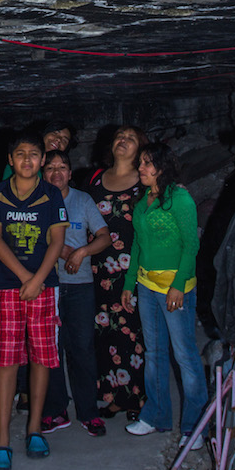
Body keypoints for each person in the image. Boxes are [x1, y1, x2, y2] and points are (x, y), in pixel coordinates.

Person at [0, 134, 68, 470]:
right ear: (11, 159)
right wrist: (23, 278)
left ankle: (34, 429)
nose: (28, 161)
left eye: (35, 155)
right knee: (6, 361)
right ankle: (2, 439)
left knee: (42, 357)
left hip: (44, 287)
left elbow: (57, 241)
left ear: (42, 159)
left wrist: (37, 280)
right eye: (21, 155)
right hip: (8, 288)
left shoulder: (51, 194)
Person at [122, 142, 208, 450]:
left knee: (185, 356)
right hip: (146, 287)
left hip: (174, 290)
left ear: (162, 168)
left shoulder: (180, 200)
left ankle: (195, 427)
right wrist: (130, 285)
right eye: (141, 163)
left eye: (147, 164)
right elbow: (137, 245)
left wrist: (178, 285)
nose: (141, 169)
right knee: (154, 353)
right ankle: (156, 416)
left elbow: (191, 245)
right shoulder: (144, 200)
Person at [41, 150, 111, 437]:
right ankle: (56, 410)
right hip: (48, 285)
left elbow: (104, 237)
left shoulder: (82, 200)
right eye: (51, 168)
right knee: (51, 350)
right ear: (42, 173)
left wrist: (82, 251)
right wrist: (65, 251)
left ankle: (88, 412)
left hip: (80, 286)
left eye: (62, 168)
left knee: (81, 348)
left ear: (71, 173)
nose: (56, 173)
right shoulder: (36, 201)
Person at [87, 125, 148, 418]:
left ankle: (136, 398)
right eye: (119, 137)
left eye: (131, 138)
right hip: (98, 269)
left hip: (131, 269)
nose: (123, 141)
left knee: (132, 334)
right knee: (105, 332)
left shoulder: (144, 181)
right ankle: (114, 397)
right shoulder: (97, 179)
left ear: (140, 149)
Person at [2, 120, 75, 179]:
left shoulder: (59, 174)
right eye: (55, 133)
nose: (58, 139)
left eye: (64, 140)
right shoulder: (22, 162)